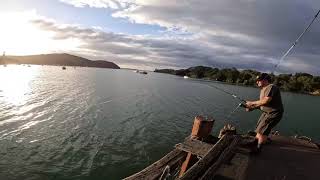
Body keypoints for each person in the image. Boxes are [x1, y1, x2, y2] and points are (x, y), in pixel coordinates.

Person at [245, 73, 284, 152]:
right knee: (260, 127)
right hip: (267, 112)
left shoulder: (271, 87)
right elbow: (263, 104)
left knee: (263, 129)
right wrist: (252, 108)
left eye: (259, 80)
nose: (257, 82)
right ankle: (255, 142)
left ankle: (258, 148)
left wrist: (251, 103)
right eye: (257, 81)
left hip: (274, 113)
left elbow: (266, 100)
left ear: (265, 80)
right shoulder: (263, 89)